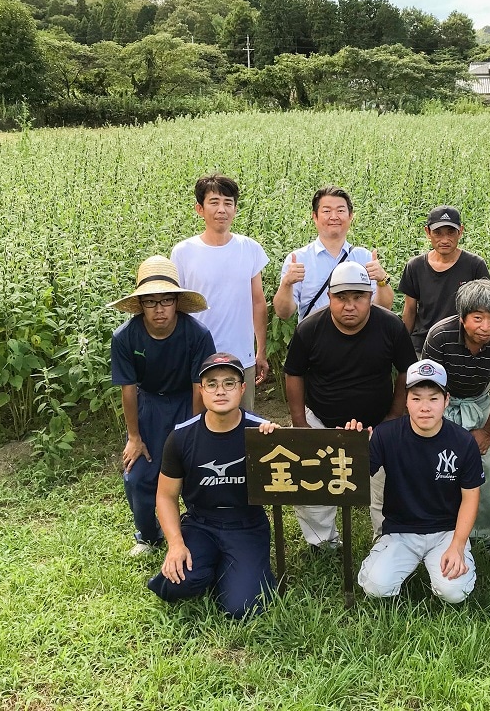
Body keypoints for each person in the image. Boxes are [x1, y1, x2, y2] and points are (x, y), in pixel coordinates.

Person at [282, 260, 417, 550]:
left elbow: (407, 370)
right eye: (341, 298)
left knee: (388, 486)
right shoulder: (310, 328)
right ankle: (322, 543)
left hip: (378, 421)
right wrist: (301, 423)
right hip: (321, 417)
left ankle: (388, 541)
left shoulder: (390, 326)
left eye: (358, 297)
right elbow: (293, 372)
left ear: (370, 297)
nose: (350, 306)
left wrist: (394, 416)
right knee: (312, 484)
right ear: (330, 298)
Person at [146, 353, 279, 618]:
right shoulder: (181, 436)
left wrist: (278, 441)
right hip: (200, 523)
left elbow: (294, 472)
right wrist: (175, 544)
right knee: (176, 586)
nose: (221, 391)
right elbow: (165, 496)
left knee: (242, 608)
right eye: (212, 383)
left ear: (242, 389)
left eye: (229, 383)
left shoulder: (261, 432)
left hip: (246, 524)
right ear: (201, 389)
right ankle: (216, 565)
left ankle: (241, 571)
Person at [109, 256, 215, 556]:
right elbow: (128, 389)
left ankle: (197, 530)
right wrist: (134, 437)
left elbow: (200, 386)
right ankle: (147, 535)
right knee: (138, 474)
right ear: (140, 304)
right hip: (150, 405)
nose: (159, 309)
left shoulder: (197, 334)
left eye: (166, 300)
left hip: (188, 401)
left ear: (177, 302)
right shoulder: (125, 337)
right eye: (150, 301)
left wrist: (196, 430)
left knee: (196, 469)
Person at [356, 360, 483, 603]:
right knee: (376, 586)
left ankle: (453, 560)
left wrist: (457, 545)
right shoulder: (386, 434)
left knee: (454, 592)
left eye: (433, 399)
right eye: (416, 398)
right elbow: (356, 479)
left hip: (447, 530)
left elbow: (470, 498)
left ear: (446, 400)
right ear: (405, 400)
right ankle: (389, 558)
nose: (425, 407)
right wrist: (354, 446)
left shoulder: (463, 441)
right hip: (401, 529)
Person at [422, 279, 490, 554]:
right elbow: (430, 386)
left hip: (480, 401)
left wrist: (487, 432)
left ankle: (484, 534)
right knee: (438, 465)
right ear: (462, 316)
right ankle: (436, 525)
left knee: (484, 469)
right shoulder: (440, 336)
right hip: (443, 401)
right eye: (477, 318)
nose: (486, 327)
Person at [171, 174, 270, 412]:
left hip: (241, 356)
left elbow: (258, 302)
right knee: (198, 425)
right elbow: (177, 307)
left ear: (235, 209)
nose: (221, 209)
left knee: (242, 425)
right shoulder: (183, 252)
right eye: (214, 202)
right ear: (199, 209)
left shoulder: (249, 249)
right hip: (197, 357)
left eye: (228, 202)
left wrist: (261, 351)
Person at [273, 185, 392, 321]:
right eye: (327, 211)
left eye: (340, 210)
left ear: (350, 216)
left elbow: (383, 309)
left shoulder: (364, 257)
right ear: (315, 217)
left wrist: (382, 279)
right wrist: (287, 284)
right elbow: (283, 313)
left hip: (359, 340)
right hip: (314, 339)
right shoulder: (298, 259)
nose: (334, 217)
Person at [399, 205, 489, 356]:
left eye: (451, 232)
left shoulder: (475, 265)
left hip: (461, 346)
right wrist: (401, 346)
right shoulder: (415, 266)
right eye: (438, 233)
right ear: (427, 232)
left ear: (460, 231)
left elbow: (486, 308)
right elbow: (409, 311)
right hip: (423, 345)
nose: (445, 240)